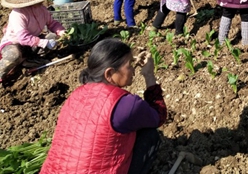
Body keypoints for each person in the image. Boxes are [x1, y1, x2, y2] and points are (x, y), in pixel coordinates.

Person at [41, 38, 167, 174]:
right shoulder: (126, 104)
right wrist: (149, 75)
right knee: (149, 135)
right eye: (129, 65)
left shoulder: (75, 96)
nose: (133, 70)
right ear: (109, 74)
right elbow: (158, 115)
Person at [0, 0, 66, 83]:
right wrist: (42, 42)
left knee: (52, 37)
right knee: (14, 55)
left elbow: (52, 23)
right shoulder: (18, 14)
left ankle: (26, 60)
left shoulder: (42, 9)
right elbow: (23, 37)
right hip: (13, 43)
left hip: (30, 43)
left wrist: (61, 32)